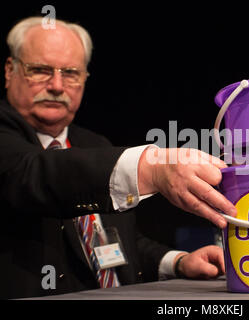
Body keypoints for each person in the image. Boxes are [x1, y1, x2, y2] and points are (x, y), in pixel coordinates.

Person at [0, 17, 236, 299]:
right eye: (40, 70)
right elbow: (37, 173)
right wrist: (152, 166)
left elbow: (120, 242)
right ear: (9, 71)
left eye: (71, 73)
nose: (57, 85)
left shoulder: (93, 143)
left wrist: (178, 262)